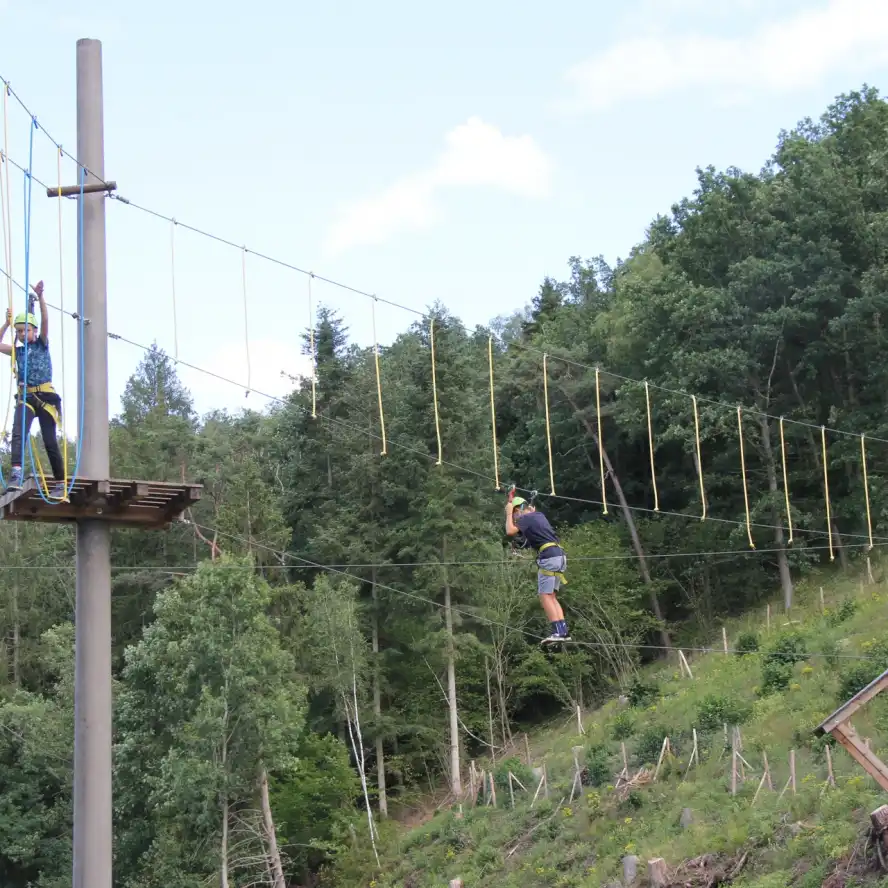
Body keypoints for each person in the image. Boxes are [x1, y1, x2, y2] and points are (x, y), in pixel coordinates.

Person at [0, 281, 65, 497]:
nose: (20, 334)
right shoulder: (17, 352)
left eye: (24, 330)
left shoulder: (42, 344)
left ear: (34, 331)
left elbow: (45, 320)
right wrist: (6, 325)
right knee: (18, 433)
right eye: (18, 331)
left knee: (49, 441)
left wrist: (40, 298)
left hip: (45, 397)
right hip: (26, 396)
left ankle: (60, 481)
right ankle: (16, 473)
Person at [504, 487, 570, 644]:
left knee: (544, 596)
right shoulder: (539, 516)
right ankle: (563, 631)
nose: (515, 518)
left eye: (515, 514)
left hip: (549, 557)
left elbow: (510, 531)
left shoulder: (525, 518)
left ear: (519, 510)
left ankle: (558, 632)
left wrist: (508, 512)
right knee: (552, 596)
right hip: (559, 556)